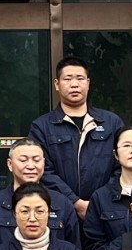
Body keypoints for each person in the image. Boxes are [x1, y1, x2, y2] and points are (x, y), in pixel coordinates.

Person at [28, 56, 124, 222]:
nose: (74, 84)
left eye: (80, 78)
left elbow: (122, 166)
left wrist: (99, 200)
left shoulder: (111, 122)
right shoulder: (41, 127)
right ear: (57, 84)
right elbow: (42, 170)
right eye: (67, 79)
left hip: (107, 210)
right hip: (59, 211)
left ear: (88, 83)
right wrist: (75, 202)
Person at [0, 138, 82, 250]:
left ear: (44, 163)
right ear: (10, 164)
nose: (31, 166)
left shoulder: (62, 203)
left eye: (36, 160)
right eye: (23, 160)